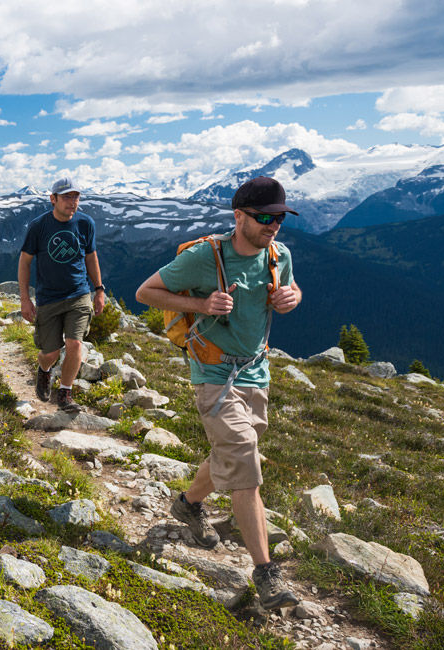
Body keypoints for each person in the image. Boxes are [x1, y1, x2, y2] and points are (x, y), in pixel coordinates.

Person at [135, 176, 303, 610]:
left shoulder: (278, 254)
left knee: (233, 452)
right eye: (265, 217)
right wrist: (201, 305)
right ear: (239, 216)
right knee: (244, 458)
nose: (273, 226)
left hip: (256, 373)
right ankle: (265, 573)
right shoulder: (205, 257)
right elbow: (145, 292)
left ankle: (189, 503)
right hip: (212, 373)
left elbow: (293, 288)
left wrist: (290, 298)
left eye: (280, 218)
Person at [18, 178, 105, 413]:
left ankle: (65, 393)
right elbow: (25, 261)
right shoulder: (39, 226)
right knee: (51, 353)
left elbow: (90, 257)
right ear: (53, 199)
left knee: (75, 343)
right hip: (49, 298)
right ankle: (44, 369)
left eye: (76, 196)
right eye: (66, 197)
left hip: (79, 294)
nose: (72, 202)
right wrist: (25, 299)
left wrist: (98, 290)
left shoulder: (85, 223)